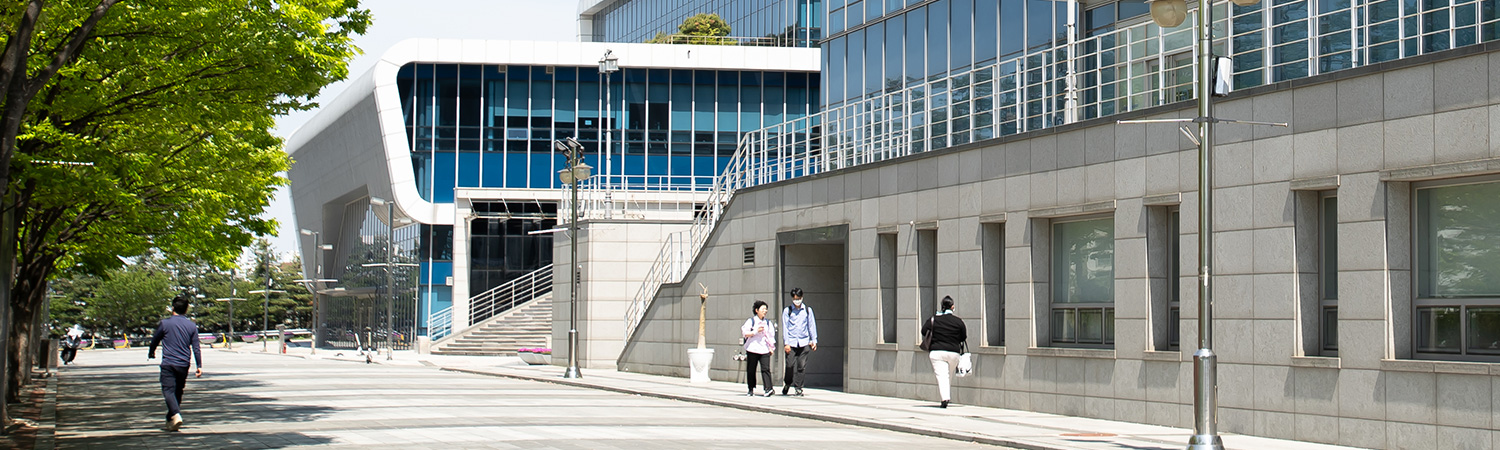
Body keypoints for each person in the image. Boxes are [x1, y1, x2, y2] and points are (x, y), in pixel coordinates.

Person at [149, 295, 204, 431]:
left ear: (172, 307)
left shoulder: (165, 323)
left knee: (168, 390)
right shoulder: (191, 326)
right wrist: (199, 366)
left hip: (169, 363)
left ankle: (176, 414)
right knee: (178, 391)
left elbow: (155, 339)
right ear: (186, 309)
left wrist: (151, 352)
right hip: (184, 363)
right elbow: (196, 347)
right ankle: (171, 419)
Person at [921, 296, 967, 409]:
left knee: (942, 375)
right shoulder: (958, 322)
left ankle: (945, 399)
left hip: (937, 352)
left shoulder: (934, 319)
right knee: (948, 375)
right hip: (953, 353)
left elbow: (923, 331)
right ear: (952, 307)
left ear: (942, 307)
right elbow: (963, 337)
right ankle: (946, 396)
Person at [780, 287, 817, 396]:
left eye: (799, 298)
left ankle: (798, 387)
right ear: (792, 298)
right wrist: (786, 343)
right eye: (795, 299)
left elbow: (811, 325)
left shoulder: (807, 310)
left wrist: (814, 340)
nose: (797, 301)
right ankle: (787, 383)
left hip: (804, 342)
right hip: (791, 342)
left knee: (801, 366)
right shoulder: (787, 311)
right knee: (789, 365)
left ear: (802, 297)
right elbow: (785, 328)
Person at [740, 300, 776, 397]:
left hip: (764, 349)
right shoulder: (751, 321)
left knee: (766, 369)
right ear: (757, 310)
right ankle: (751, 388)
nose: (765, 311)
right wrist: (755, 331)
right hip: (752, 348)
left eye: (766, 309)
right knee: (751, 369)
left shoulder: (768, 323)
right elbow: (745, 333)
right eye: (763, 309)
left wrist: (771, 347)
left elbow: (771, 336)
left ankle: (768, 388)